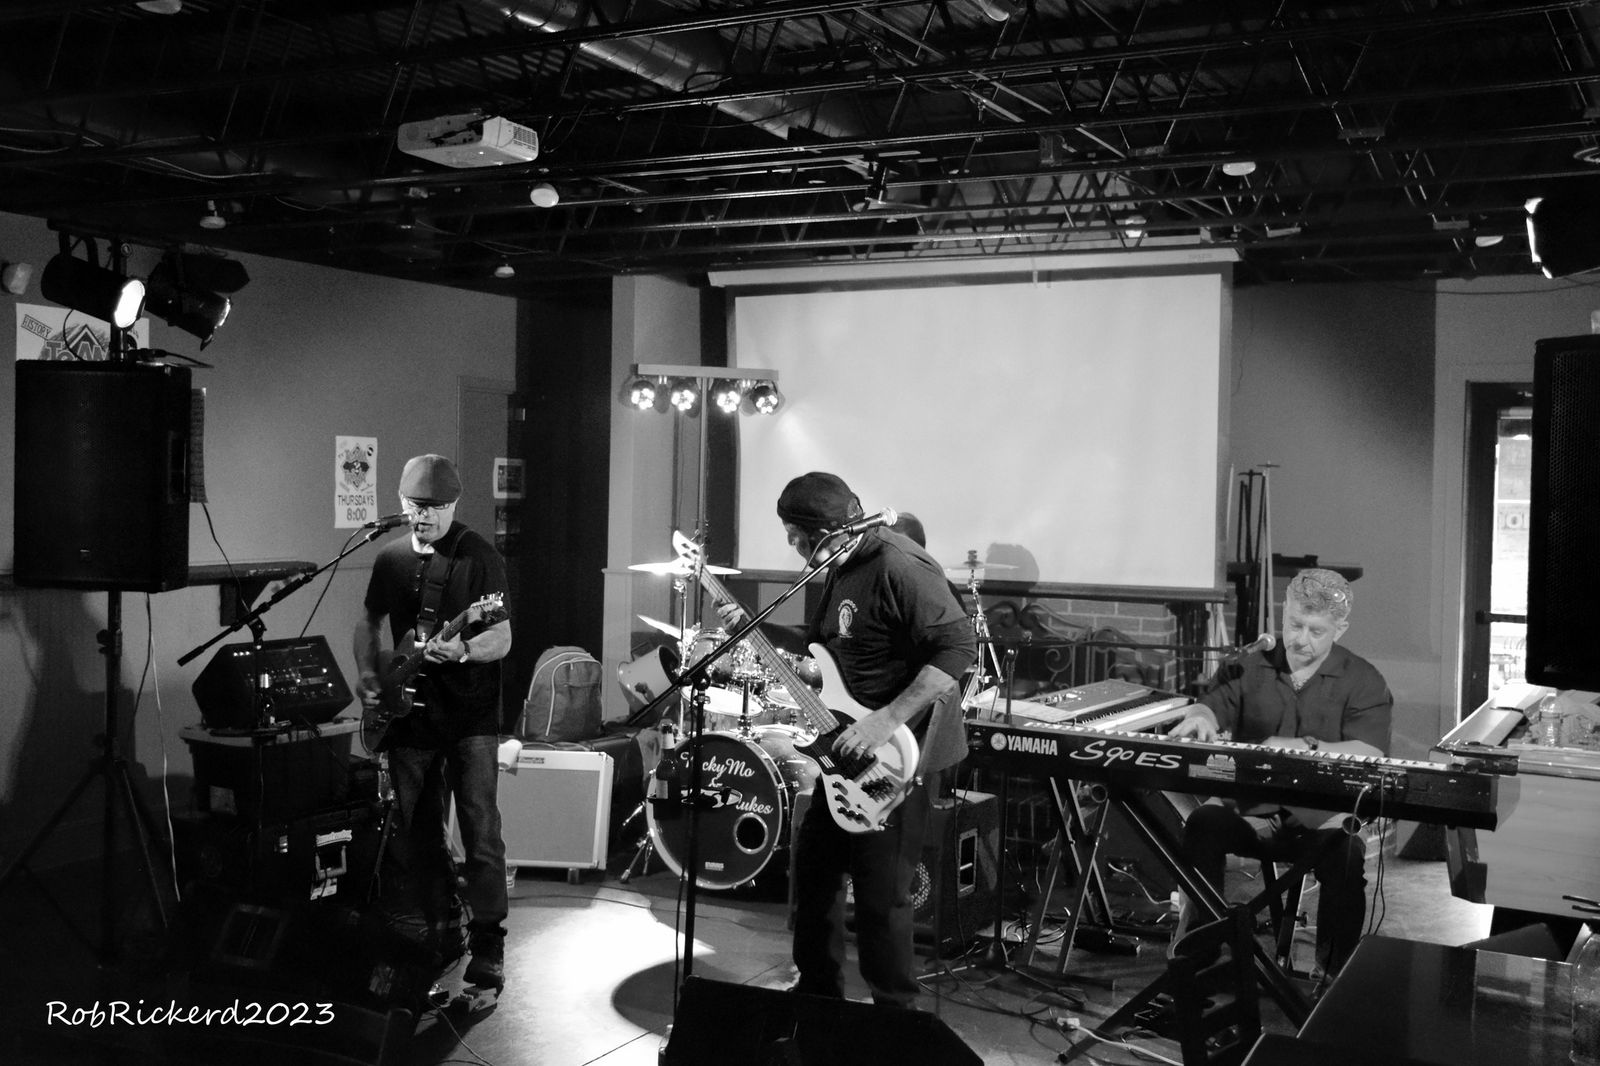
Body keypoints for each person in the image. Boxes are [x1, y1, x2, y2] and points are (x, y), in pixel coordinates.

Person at [766, 472, 976, 1008]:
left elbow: (958, 649)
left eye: (797, 536)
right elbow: (827, 648)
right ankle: (816, 1002)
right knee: (815, 878)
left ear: (825, 532)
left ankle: (893, 1019)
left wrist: (885, 720)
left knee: (882, 899)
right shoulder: (843, 564)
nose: (793, 547)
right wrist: (759, 634)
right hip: (844, 750)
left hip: (897, 755)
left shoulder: (901, 565)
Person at [1167, 567, 1392, 980]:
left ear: (1340, 629)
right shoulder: (1248, 666)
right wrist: (1200, 716)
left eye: (1316, 631)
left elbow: (1371, 752)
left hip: (1323, 818)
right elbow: (1210, 704)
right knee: (1202, 824)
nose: (1301, 639)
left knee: (1346, 856)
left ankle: (1333, 978)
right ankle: (1196, 963)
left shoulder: (1363, 680)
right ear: (1283, 613)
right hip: (1251, 809)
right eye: (1294, 624)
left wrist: (1301, 747)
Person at [353, 454, 514, 991]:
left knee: (480, 828)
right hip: (408, 715)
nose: (424, 516)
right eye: (416, 507)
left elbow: (501, 636)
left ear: (453, 505)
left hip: (470, 715)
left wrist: (464, 650)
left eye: (435, 508)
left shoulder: (480, 557)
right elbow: (370, 622)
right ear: (402, 504)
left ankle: (489, 942)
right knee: (413, 830)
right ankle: (438, 928)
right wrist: (368, 672)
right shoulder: (390, 558)